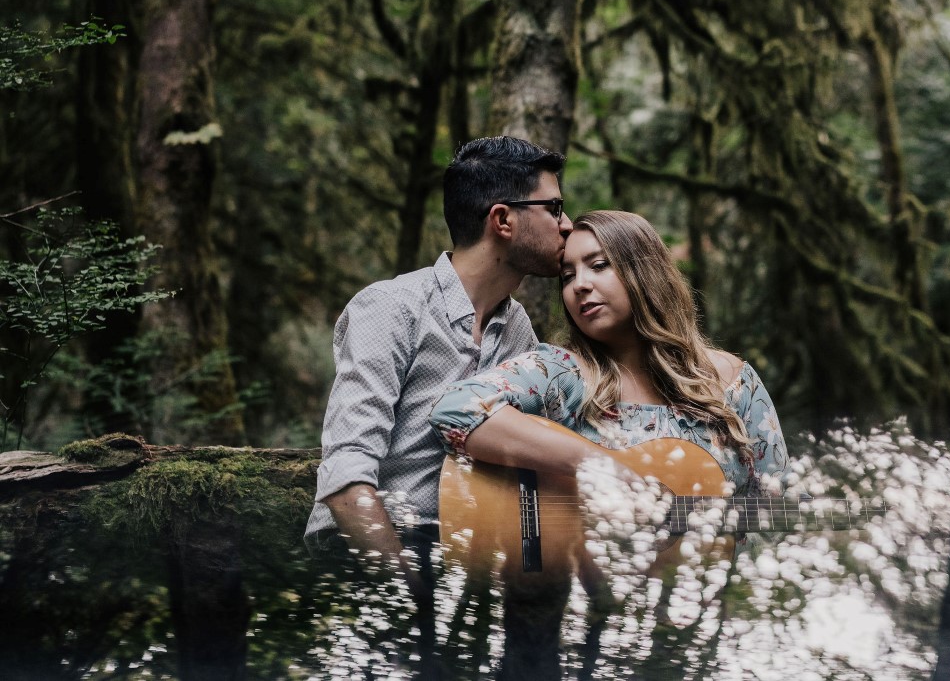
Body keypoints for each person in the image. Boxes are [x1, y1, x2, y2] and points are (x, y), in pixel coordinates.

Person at [428, 209, 790, 679]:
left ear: (645, 270)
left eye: (598, 266)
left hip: (684, 627)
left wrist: (699, 527)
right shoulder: (564, 372)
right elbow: (456, 409)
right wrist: (608, 471)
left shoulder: (734, 383)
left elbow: (773, 504)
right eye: (568, 274)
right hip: (574, 632)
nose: (578, 285)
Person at [304, 136, 574, 679]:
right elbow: (345, 476)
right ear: (503, 219)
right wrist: (405, 590)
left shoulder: (517, 328)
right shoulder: (391, 307)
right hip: (389, 560)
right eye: (555, 208)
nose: (566, 225)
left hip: (478, 570)